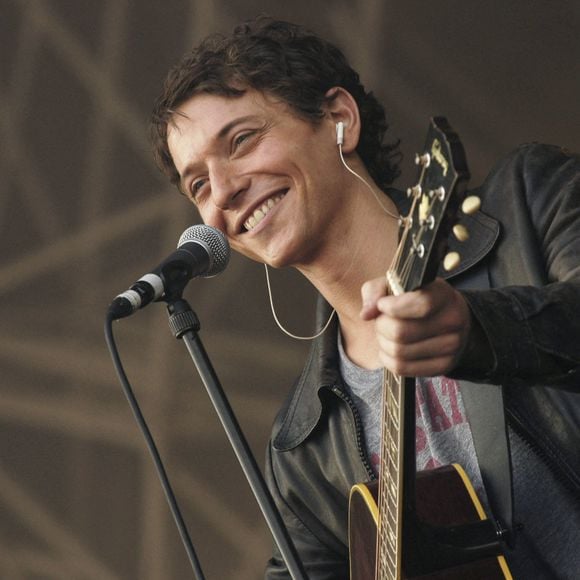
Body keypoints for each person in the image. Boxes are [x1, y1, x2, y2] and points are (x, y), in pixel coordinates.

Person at [149, 17, 580, 579]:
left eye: (242, 140)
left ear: (339, 119)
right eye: (199, 184)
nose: (224, 190)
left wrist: (479, 329)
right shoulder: (304, 450)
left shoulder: (530, 201)